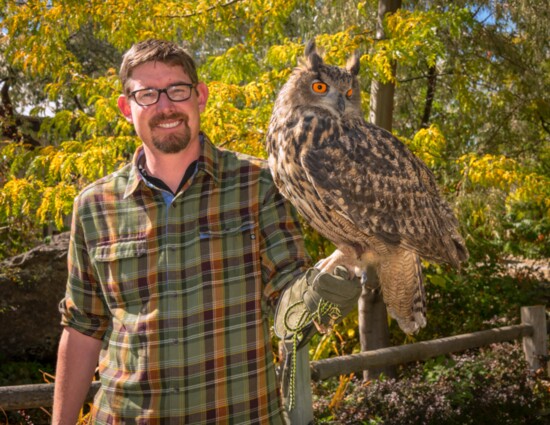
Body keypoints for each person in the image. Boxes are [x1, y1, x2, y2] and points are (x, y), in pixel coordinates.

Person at [52, 38, 361, 424]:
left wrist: (326, 287)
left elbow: (287, 298)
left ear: (200, 96)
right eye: (147, 94)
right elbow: (82, 328)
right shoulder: (93, 206)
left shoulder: (262, 184)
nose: (165, 106)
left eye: (177, 90)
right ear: (126, 108)